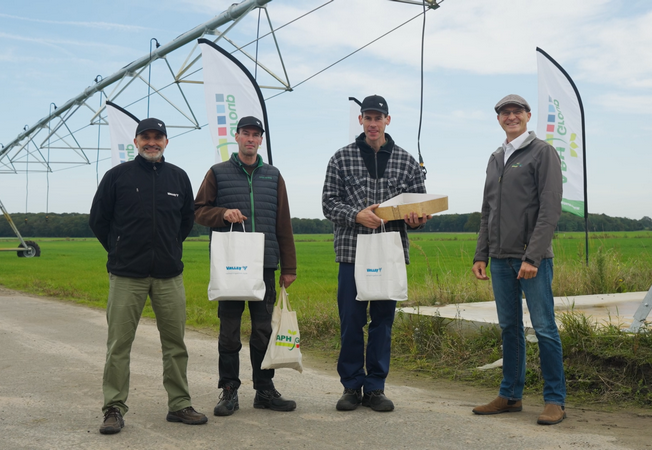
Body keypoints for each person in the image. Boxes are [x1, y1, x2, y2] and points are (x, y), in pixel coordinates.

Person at [89, 118, 207, 435]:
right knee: (118, 345)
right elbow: (98, 220)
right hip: (127, 274)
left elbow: (186, 222)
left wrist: (167, 249)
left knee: (175, 344)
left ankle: (180, 405)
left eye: (158, 137)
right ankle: (113, 408)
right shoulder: (117, 177)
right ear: (136, 141)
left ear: (166, 142)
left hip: (169, 275)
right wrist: (118, 250)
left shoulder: (178, 177)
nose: (152, 142)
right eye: (146, 137)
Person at [322, 95, 429, 412]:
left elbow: (419, 208)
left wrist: (417, 218)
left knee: (383, 322)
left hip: (389, 252)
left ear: (387, 120)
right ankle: (352, 387)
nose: (372, 123)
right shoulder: (341, 159)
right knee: (351, 322)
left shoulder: (407, 161)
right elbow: (329, 203)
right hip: (352, 252)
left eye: (378, 117)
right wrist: (357, 215)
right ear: (360, 121)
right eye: (367, 117)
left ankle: (376, 388)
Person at [471, 94, 566, 425]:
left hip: (530, 261)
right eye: (504, 113)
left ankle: (555, 400)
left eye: (517, 112)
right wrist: (481, 253)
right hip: (498, 259)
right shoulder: (496, 157)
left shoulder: (543, 153)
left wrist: (533, 256)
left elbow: (550, 208)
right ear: (499, 119)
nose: (511, 117)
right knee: (510, 328)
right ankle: (510, 395)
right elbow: (488, 211)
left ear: (527, 115)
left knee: (544, 328)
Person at [194, 115, 298, 417]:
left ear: (261, 140)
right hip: (230, 266)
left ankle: (264, 390)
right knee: (229, 331)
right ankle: (228, 390)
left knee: (263, 330)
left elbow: (283, 224)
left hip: (264, 265)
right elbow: (199, 211)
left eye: (256, 135)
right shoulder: (217, 172)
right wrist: (222, 213)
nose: (250, 139)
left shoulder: (273, 176)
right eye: (245, 134)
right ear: (236, 137)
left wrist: (288, 266)